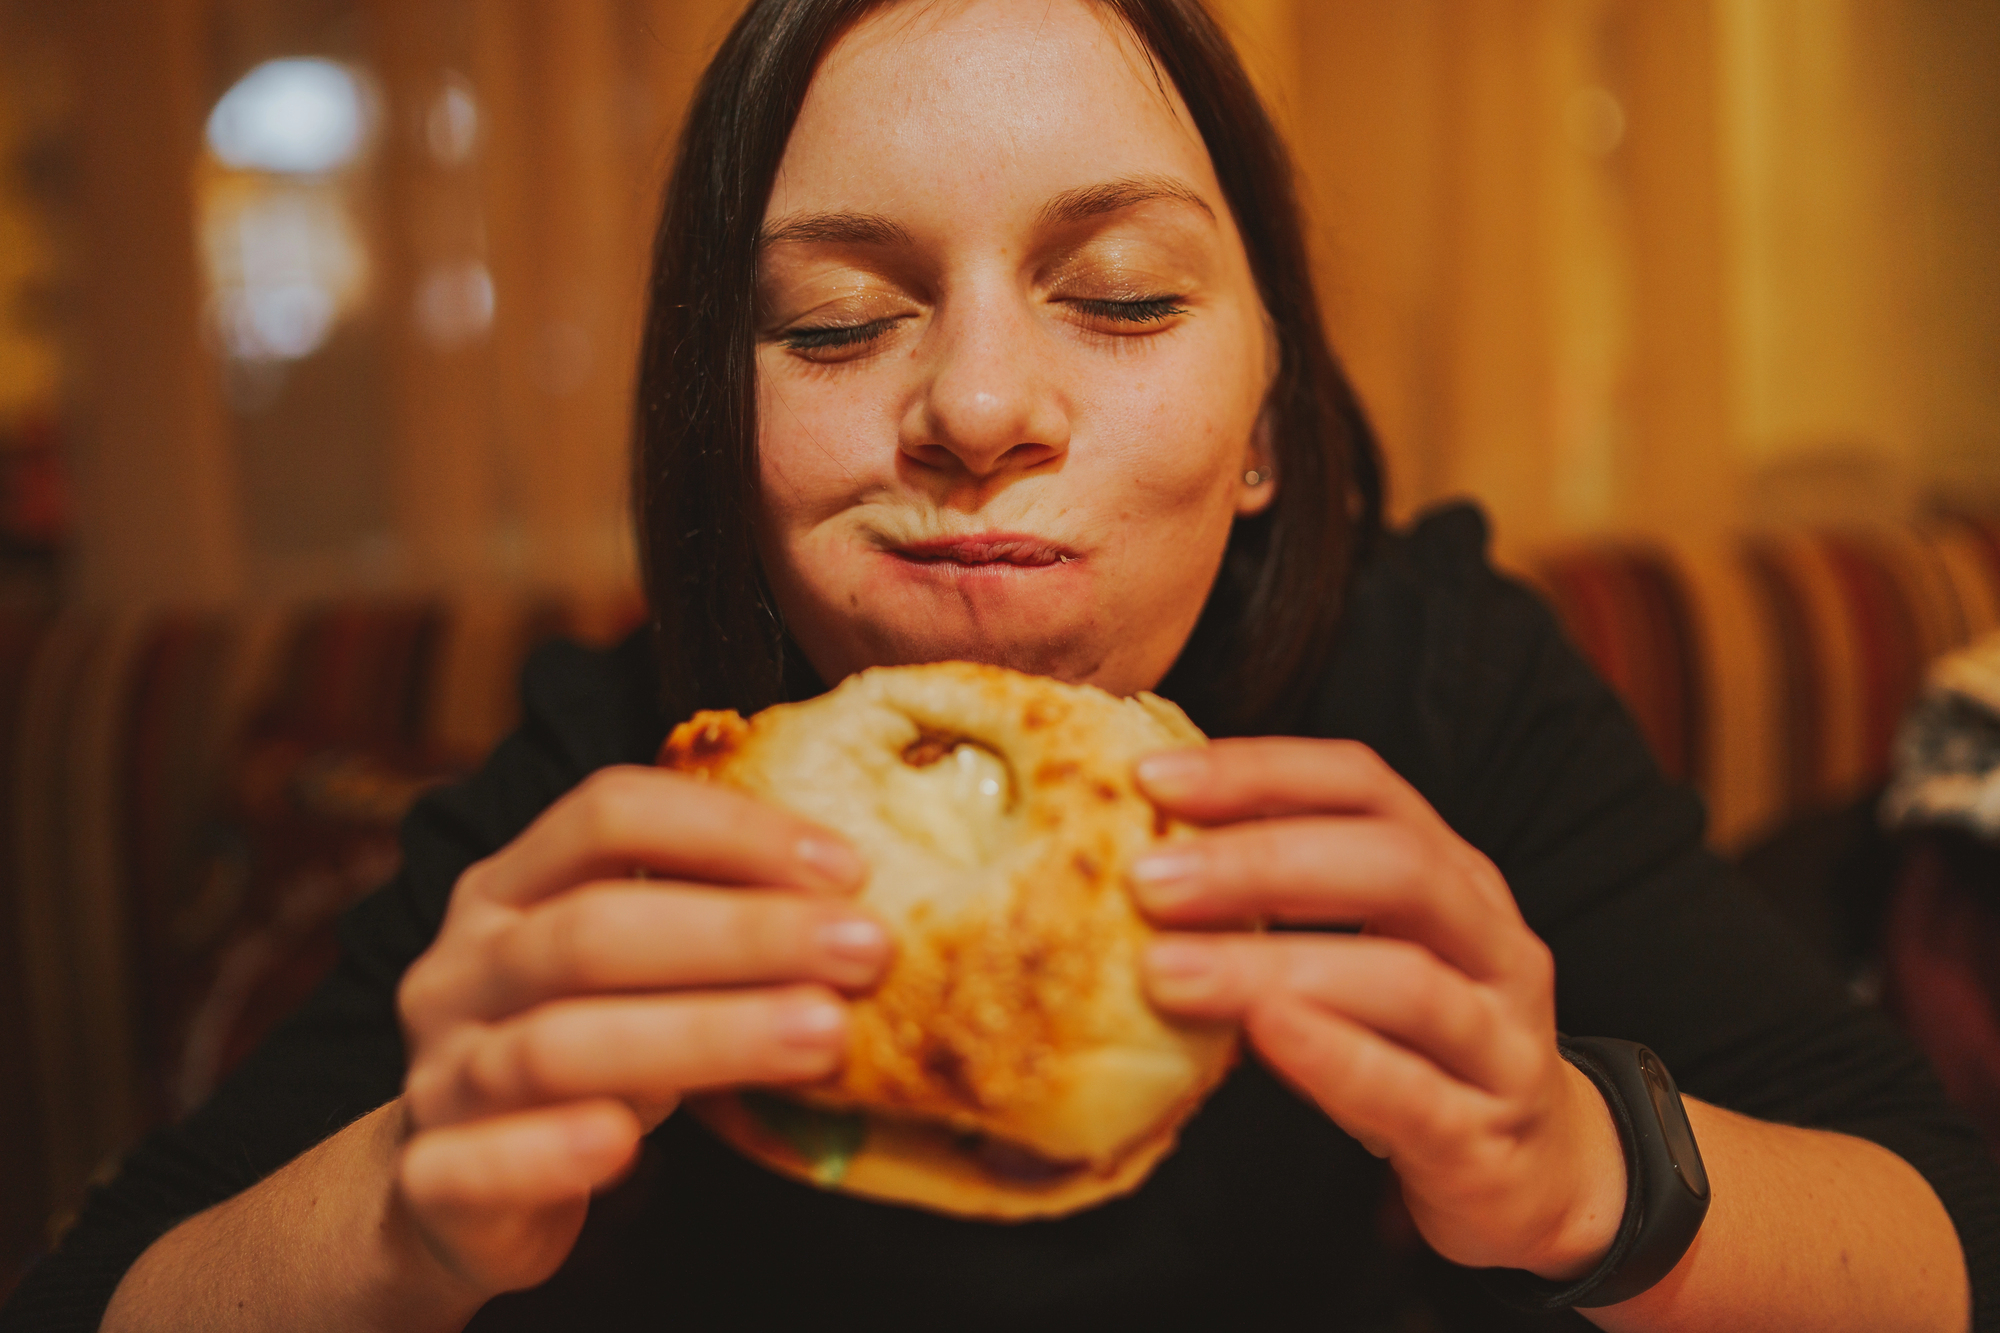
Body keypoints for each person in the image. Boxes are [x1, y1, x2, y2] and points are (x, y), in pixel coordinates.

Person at [5, 0, 1994, 1328]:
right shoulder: (630, 790)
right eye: (835, 320)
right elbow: (107, 1281)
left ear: (1270, 428)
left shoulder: (1436, 687)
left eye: (1117, 295)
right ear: (723, 429)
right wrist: (404, 1204)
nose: (972, 401)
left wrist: (1588, 1166)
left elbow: (1945, 1228)